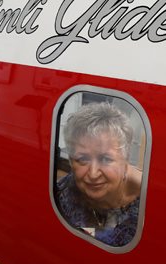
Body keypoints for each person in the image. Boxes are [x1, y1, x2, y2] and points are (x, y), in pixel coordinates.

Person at [56, 102, 142, 247]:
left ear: (125, 159)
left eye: (106, 159)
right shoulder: (63, 193)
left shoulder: (149, 200)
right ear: (71, 161)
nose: (93, 173)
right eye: (83, 159)